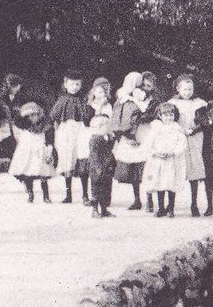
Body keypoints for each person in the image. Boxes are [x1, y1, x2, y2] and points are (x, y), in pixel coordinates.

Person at [47, 72, 93, 204]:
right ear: (66, 84)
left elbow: (88, 115)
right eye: (72, 84)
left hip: (80, 131)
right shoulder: (62, 100)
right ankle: (68, 195)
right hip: (66, 133)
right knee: (67, 162)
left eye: (78, 84)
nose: (75, 87)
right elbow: (53, 116)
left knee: (82, 160)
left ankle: (85, 195)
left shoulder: (83, 100)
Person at [166, 73, 208, 218]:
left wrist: (193, 130)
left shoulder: (199, 102)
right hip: (178, 136)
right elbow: (168, 120)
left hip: (194, 137)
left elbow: (204, 121)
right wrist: (179, 130)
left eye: (190, 89)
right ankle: (170, 206)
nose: (188, 92)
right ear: (178, 89)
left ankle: (194, 205)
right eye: (184, 89)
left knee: (194, 169)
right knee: (175, 170)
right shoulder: (172, 103)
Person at [111, 72, 154, 210]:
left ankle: (149, 199)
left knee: (147, 167)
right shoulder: (124, 98)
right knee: (134, 169)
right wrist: (126, 135)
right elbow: (120, 118)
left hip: (145, 132)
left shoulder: (150, 99)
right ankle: (137, 199)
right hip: (129, 133)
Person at [142, 98, 188, 216]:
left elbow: (182, 144)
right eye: (166, 115)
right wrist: (155, 152)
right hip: (158, 160)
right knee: (160, 183)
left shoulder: (177, 129)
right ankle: (161, 208)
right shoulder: (156, 128)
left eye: (171, 115)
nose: (169, 118)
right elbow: (148, 143)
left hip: (171, 160)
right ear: (160, 116)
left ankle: (171, 208)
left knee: (171, 184)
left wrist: (174, 153)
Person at [8, 100, 57, 202]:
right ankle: (30, 195)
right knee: (28, 174)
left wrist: (49, 153)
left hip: (41, 153)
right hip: (28, 155)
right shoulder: (25, 128)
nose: (32, 118)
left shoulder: (46, 127)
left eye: (34, 115)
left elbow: (49, 142)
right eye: (29, 116)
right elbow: (16, 122)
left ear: (39, 114)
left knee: (43, 175)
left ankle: (46, 196)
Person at [84, 77, 117, 217]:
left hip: (107, 139)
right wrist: (99, 107)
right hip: (96, 140)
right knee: (97, 174)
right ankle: (95, 208)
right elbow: (87, 122)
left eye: (104, 92)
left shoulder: (110, 106)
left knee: (107, 173)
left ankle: (104, 208)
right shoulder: (90, 106)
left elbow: (111, 122)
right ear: (93, 92)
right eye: (98, 92)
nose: (102, 95)